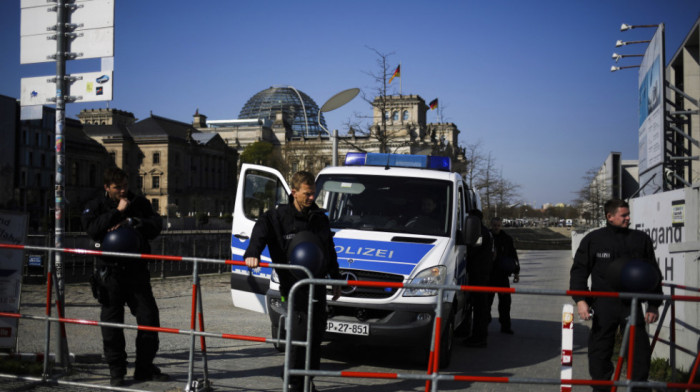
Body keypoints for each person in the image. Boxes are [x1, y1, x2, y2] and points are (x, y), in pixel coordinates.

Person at [244, 171, 342, 392]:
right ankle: (293, 381)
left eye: (313, 194)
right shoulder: (276, 217)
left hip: (316, 285)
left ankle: (307, 380)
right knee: (299, 334)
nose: (311, 198)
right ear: (294, 192)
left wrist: (335, 279)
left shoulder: (319, 218)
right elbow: (260, 232)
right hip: (292, 287)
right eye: (307, 194)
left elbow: (329, 250)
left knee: (316, 334)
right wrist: (253, 253)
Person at [81, 167, 167, 387]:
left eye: (125, 186)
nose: (123, 191)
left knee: (149, 320)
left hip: (137, 271)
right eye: (118, 187)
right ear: (107, 188)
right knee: (112, 325)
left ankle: (144, 368)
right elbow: (92, 229)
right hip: (110, 273)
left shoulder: (139, 203)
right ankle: (116, 371)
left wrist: (133, 222)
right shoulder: (97, 205)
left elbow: (157, 225)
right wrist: (118, 212)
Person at [570, 199, 662, 392]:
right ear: (609, 217)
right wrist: (581, 300)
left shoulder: (640, 239)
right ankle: (601, 388)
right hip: (603, 304)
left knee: (639, 351)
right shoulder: (594, 239)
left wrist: (654, 304)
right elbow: (579, 270)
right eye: (624, 215)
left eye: (628, 214)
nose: (628, 218)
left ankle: (638, 389)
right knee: (600, 351)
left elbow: (652, 273)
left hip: (632, 303)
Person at [463, 209, 495, 348]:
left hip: (479, 274)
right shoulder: (486, 231)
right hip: (483, 272)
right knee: (480, 306)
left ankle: (479, 337)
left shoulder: (479, 232)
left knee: (480, 307)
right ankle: (479, 335)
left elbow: (471, 251)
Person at [487, 217, 520, 334]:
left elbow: (513, 255)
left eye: (498, 225)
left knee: (505, 303)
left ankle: (505, 326)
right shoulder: (487, 237)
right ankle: (485, 323)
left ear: (501, 225)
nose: (496, 227)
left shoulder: (507, 239)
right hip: (489, 275)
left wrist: (516, 271)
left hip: (502, 276)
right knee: (487, 303)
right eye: (494, 225)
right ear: (491, 225)